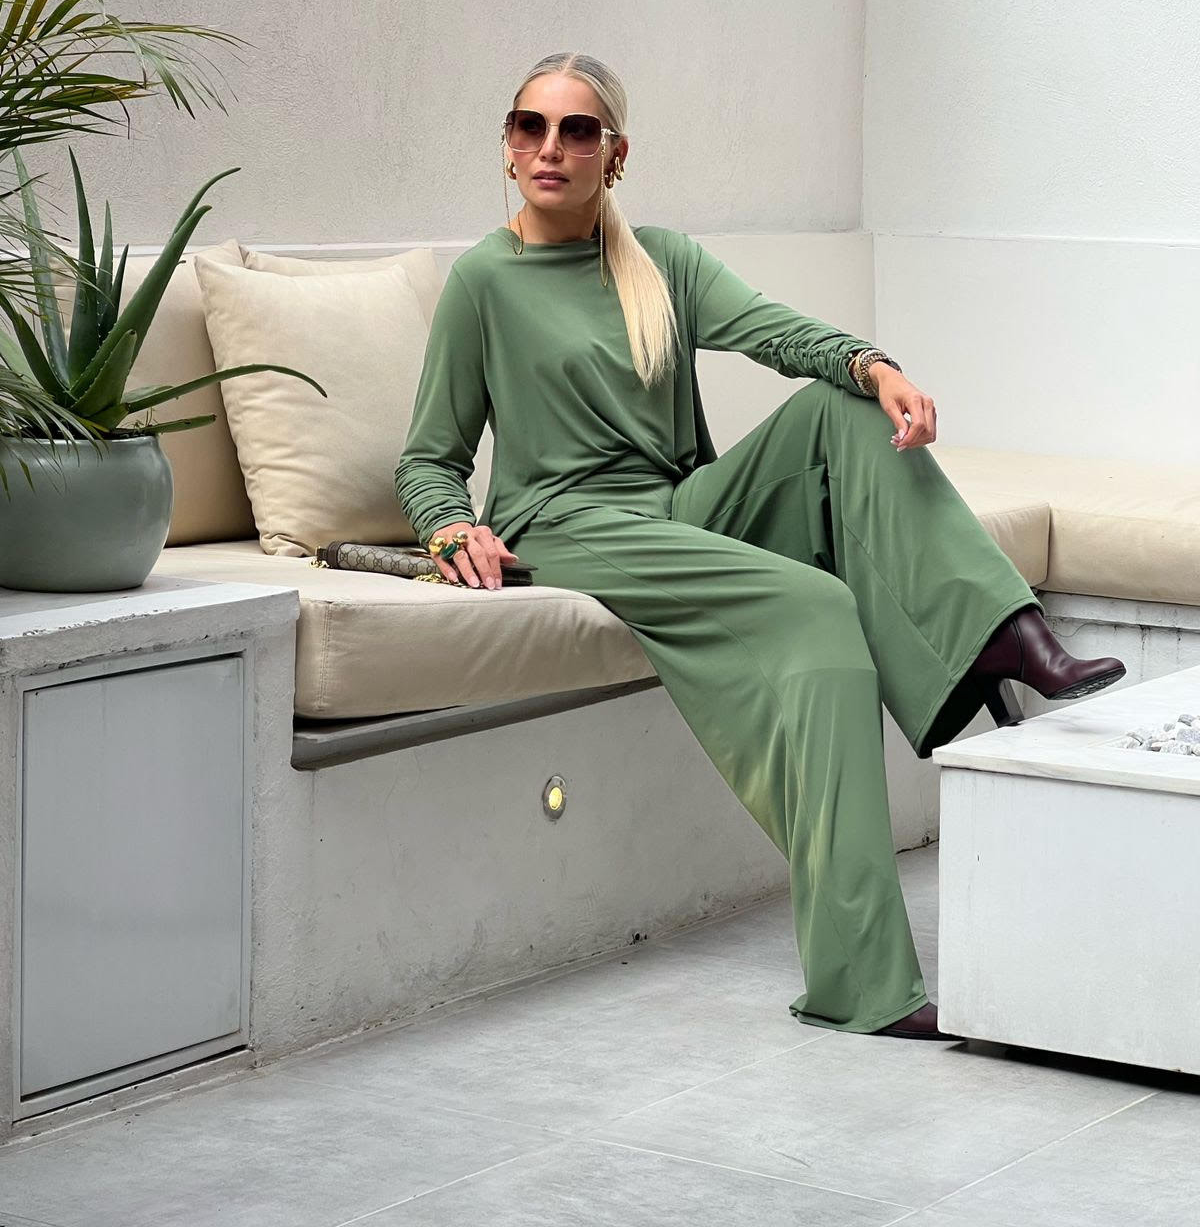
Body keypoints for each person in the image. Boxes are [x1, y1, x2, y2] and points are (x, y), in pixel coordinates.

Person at [394, 51, 1126, 1042]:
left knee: (846, 408)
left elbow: (778, 335)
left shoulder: (661, 262)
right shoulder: (484, 279)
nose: (551, 148)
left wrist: (876, 367)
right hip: (569, 526)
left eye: (577, 130)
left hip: (676, 509)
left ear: (616, 154)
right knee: (819, 609)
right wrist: (449, 525)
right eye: (531, 126)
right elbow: (429, 457)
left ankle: (999, 631)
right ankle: (863, 980)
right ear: (508, 146)